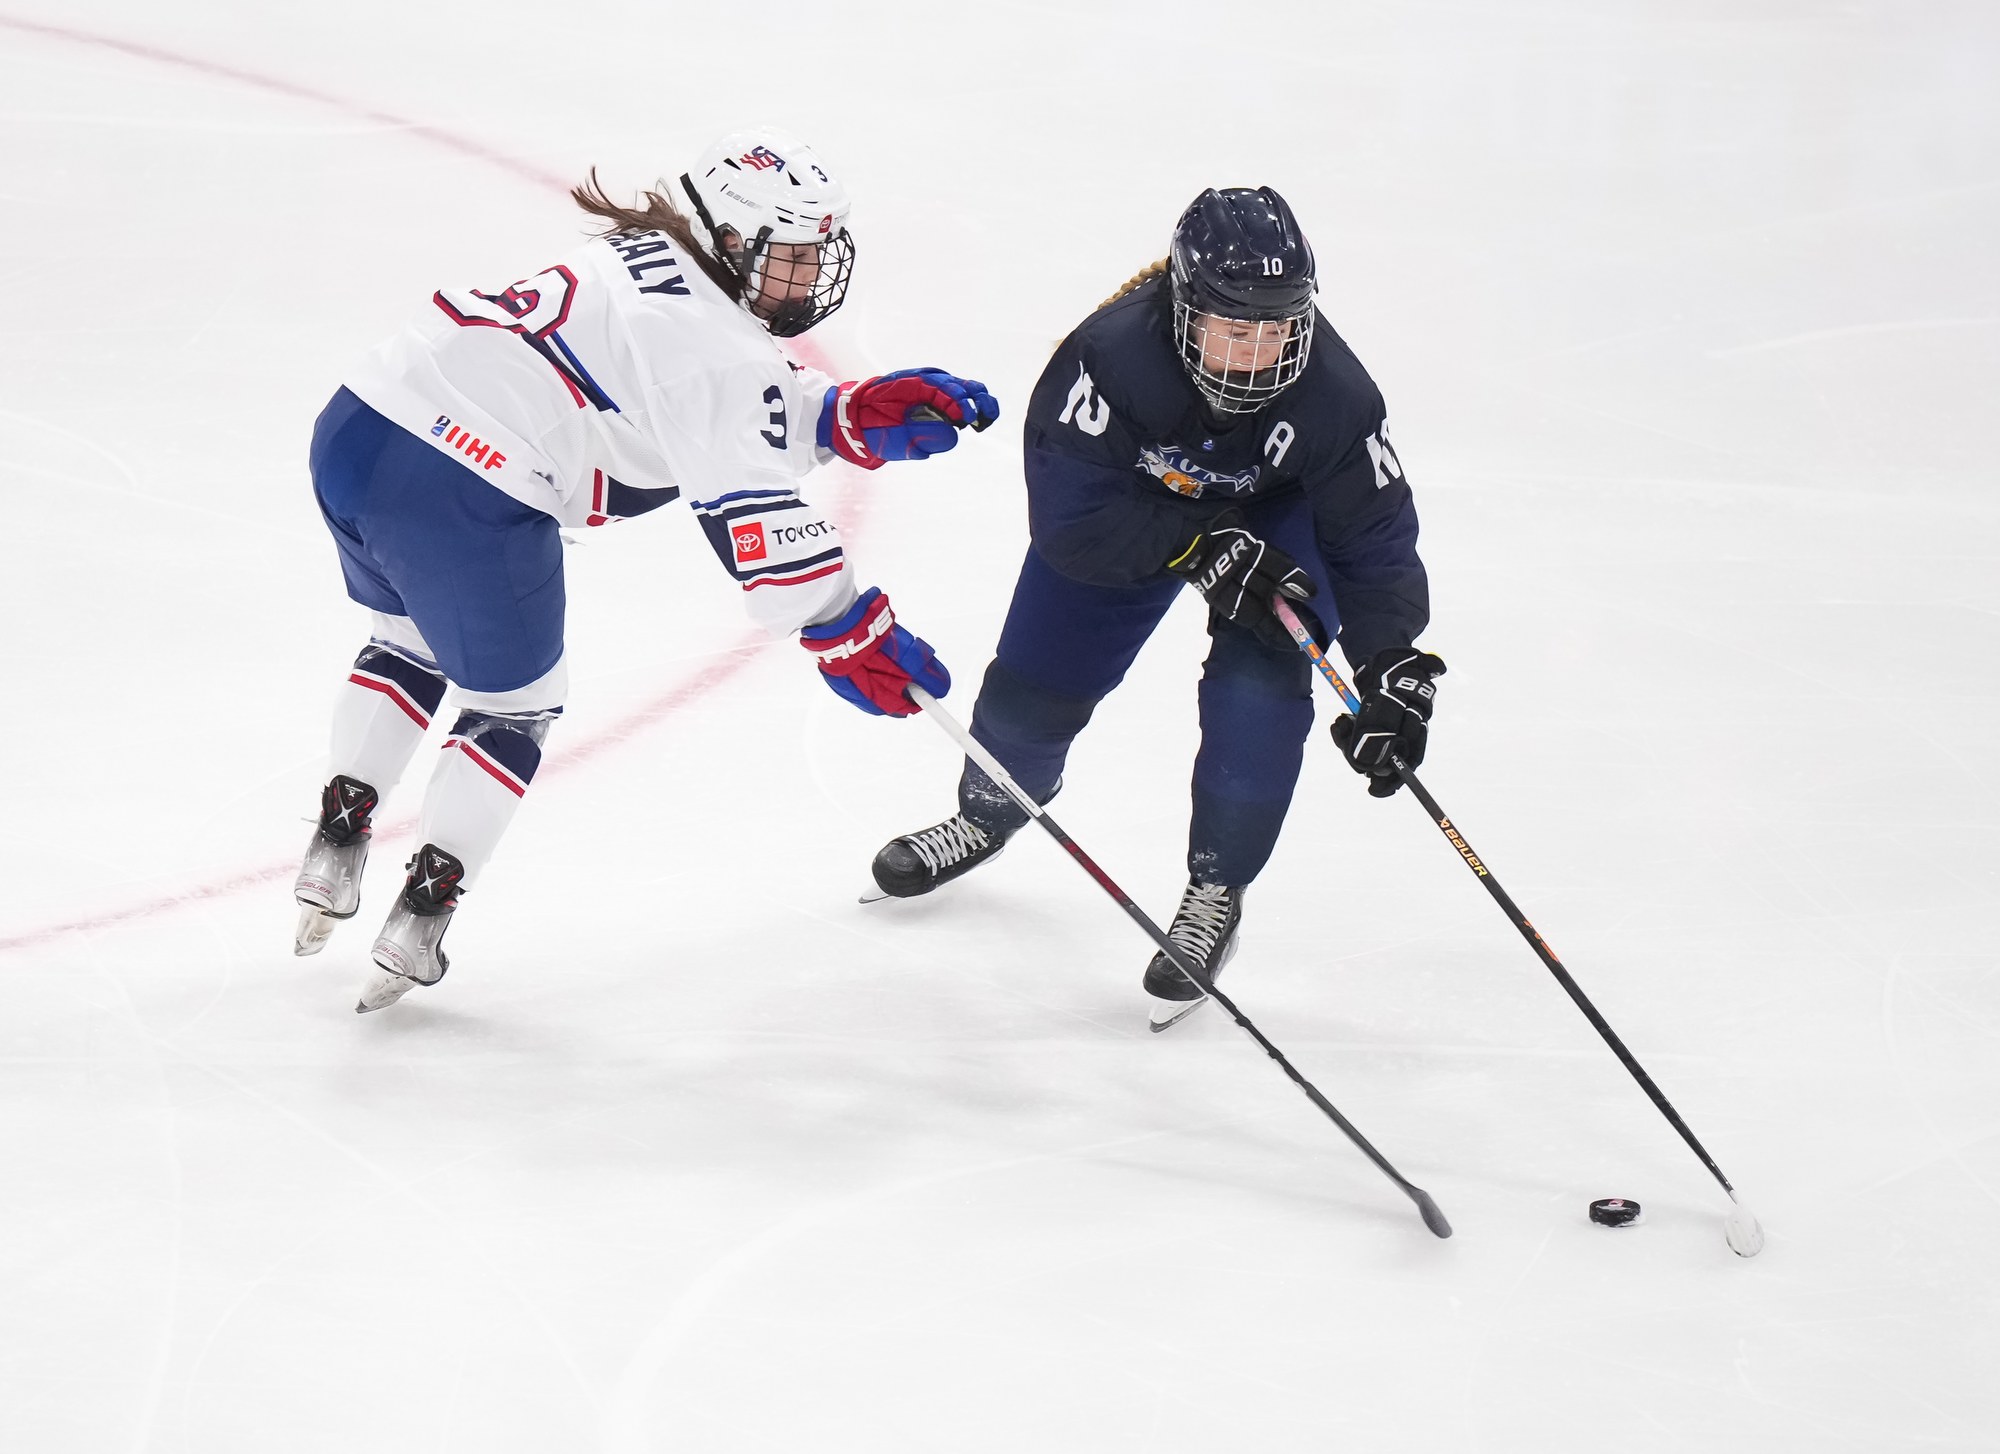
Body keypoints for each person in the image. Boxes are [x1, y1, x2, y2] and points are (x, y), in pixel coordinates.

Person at [294, 126, 998, 1013]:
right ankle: (419, 919)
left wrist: (842, 415)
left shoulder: (652, 256)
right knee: (515, 710)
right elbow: (760, 527)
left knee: (405, 641)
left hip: (360, 429)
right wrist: (854, 632)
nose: (812, 273)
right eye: (793, 253)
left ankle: (335, 841)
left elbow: (701, 401)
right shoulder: (713, 347)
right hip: (463, 490)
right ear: (733, 240)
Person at [869, 186, 1439, 1029]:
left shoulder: (1337, 397)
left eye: (1277, 331)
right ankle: (988, 813)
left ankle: (1217, 888)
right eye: (1234, 330)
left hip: (1276, 524)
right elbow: (1068, 518)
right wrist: (1194, 546)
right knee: (1031, 695)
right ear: (1184, 306)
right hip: (1129, 516)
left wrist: (1391, 663)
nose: (1255, 356)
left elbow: (1374, 536)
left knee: (1260, 691)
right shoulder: (1107, 357)